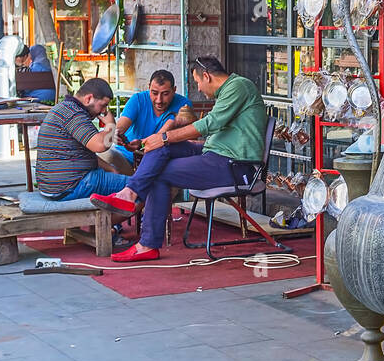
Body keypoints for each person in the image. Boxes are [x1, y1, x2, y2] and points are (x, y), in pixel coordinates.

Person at [93, 56, 265, 262]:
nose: (199, 89)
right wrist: (157, 140)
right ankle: (129, 194)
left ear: (207, 77)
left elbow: (210, 123)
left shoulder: (238, 87)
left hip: (236, 165)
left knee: (160, 165)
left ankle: (146, 243)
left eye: (198, 83)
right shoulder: (230, 90)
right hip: (215, 154)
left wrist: (164, 137)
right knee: (162, 148)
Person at [34, 77, 131, 201]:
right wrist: (110, 124)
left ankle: (110, 219)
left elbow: (82, 154)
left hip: (55, 187)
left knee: (121, 184)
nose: (103, 111)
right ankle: (112, 221)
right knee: (139, 187)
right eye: (103, 105)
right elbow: (100, 145)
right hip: (70, 187)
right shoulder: (73, 113)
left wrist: (111, 168)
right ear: (89, 99)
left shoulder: (67, 108)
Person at [110, 69, 195, 169]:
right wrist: (116, 133)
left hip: (158, 159)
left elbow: (161, 135)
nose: (159, 100)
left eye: (165, 94)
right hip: (126, 156)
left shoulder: (183, 105)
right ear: (149, 87)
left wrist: (141, 143)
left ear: (174, 90)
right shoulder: (137, 99)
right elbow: (122, 124)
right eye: (154, 93)